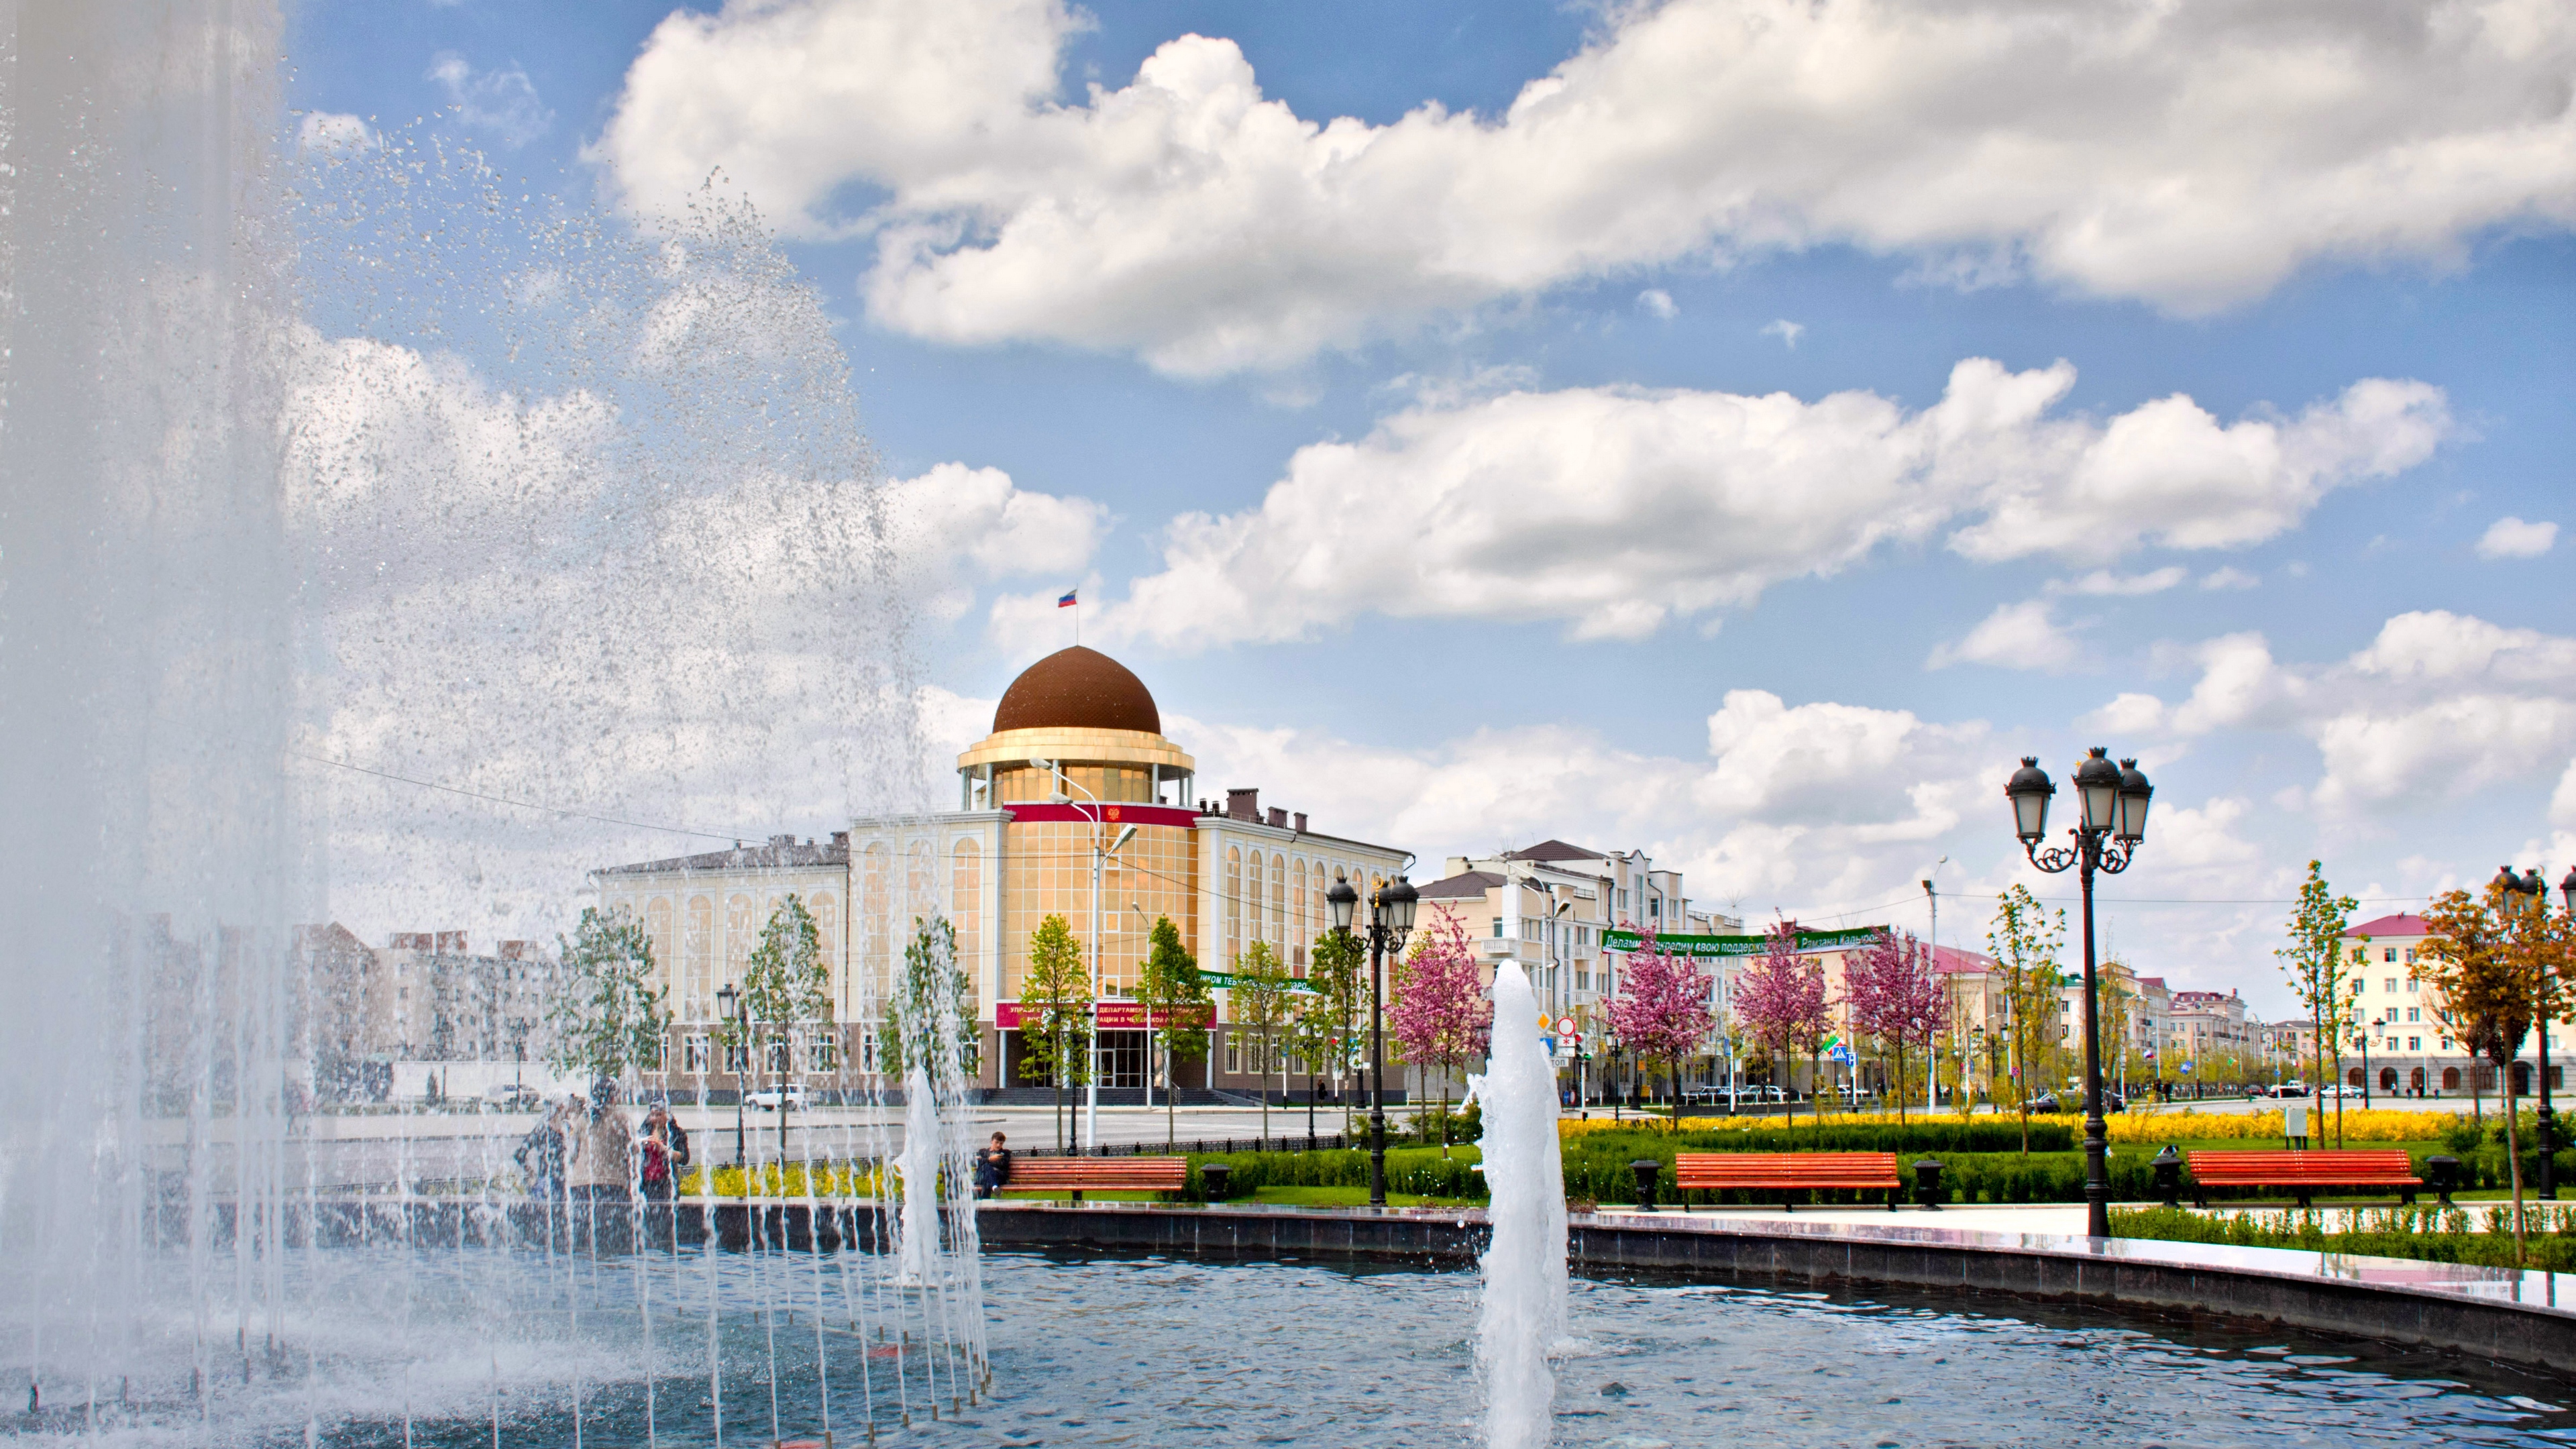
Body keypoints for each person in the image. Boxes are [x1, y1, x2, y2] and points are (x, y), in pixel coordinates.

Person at [566, 1079, 635, 1252]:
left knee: (585, 1237)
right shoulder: (621, 1118)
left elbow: (572, 1153)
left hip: (581, 1184)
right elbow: (635, 1150)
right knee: (611, 1239)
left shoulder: (584, 1118)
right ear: (613, 1096)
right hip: (612, 1185)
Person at [973, 1131, 1012, 1199]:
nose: (998, 1145)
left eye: (1001, 1143)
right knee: (986, 1168)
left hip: (998, 1177)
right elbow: (976, 1164)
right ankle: (994, 1187)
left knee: (986, 1171)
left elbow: (1001, 1164)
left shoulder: (1005, 1153)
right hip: (982, 1176)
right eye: (997, 1142)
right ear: (991, 1141)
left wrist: (984, 1160)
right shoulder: (983, 1152)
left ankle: (983, 1204)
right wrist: (990, 1159)